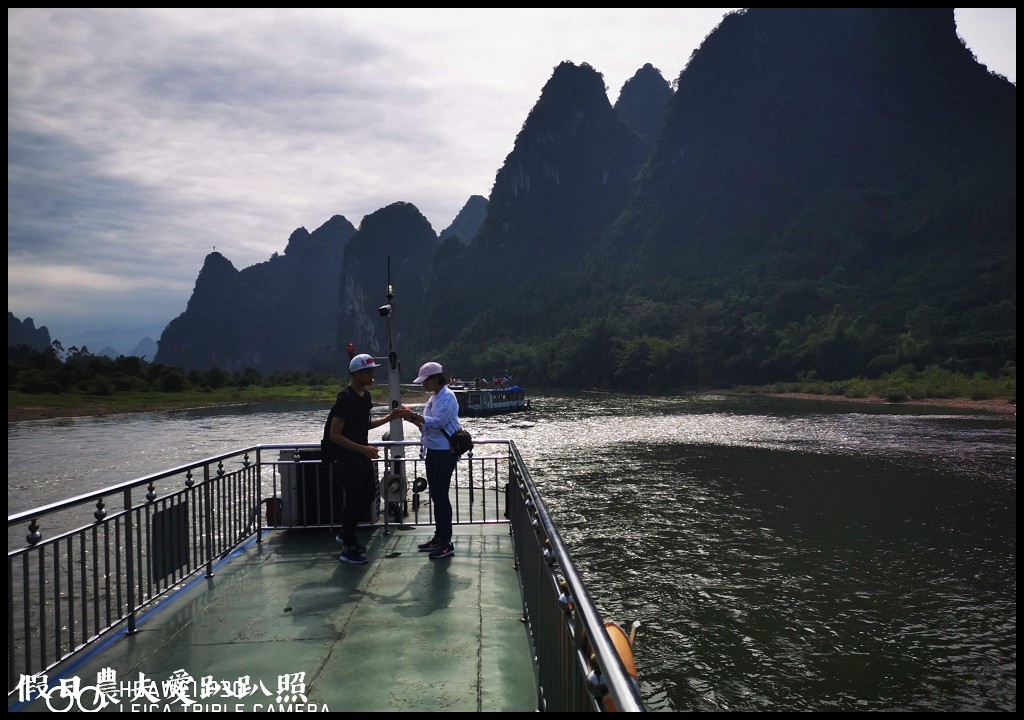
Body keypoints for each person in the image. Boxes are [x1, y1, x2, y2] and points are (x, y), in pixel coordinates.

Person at [322, 353, 398, 565]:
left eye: (372, 370)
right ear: (357, 374)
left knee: (366, 497)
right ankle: (347, 548)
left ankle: (347, 535)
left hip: (360, 455)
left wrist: (389, 418)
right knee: (353, 500)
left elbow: (365, 424)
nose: (373, 374)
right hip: (346, 458)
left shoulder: (365, 396)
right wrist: (363, 449)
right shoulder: (345, 398)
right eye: (369, 371)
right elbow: (334, 435)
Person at [397, 361, 460, 560]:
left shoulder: (448, 397)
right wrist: (411, 418)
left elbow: (438, 422)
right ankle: (438, 537)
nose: (424, 385)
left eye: (426, 381)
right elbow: (427, 427)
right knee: (436, 495)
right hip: (433, 451)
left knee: (441, 496)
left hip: (444, 453)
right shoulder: (433, 399)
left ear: (436, 378)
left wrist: (414, 415)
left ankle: (446, 542)